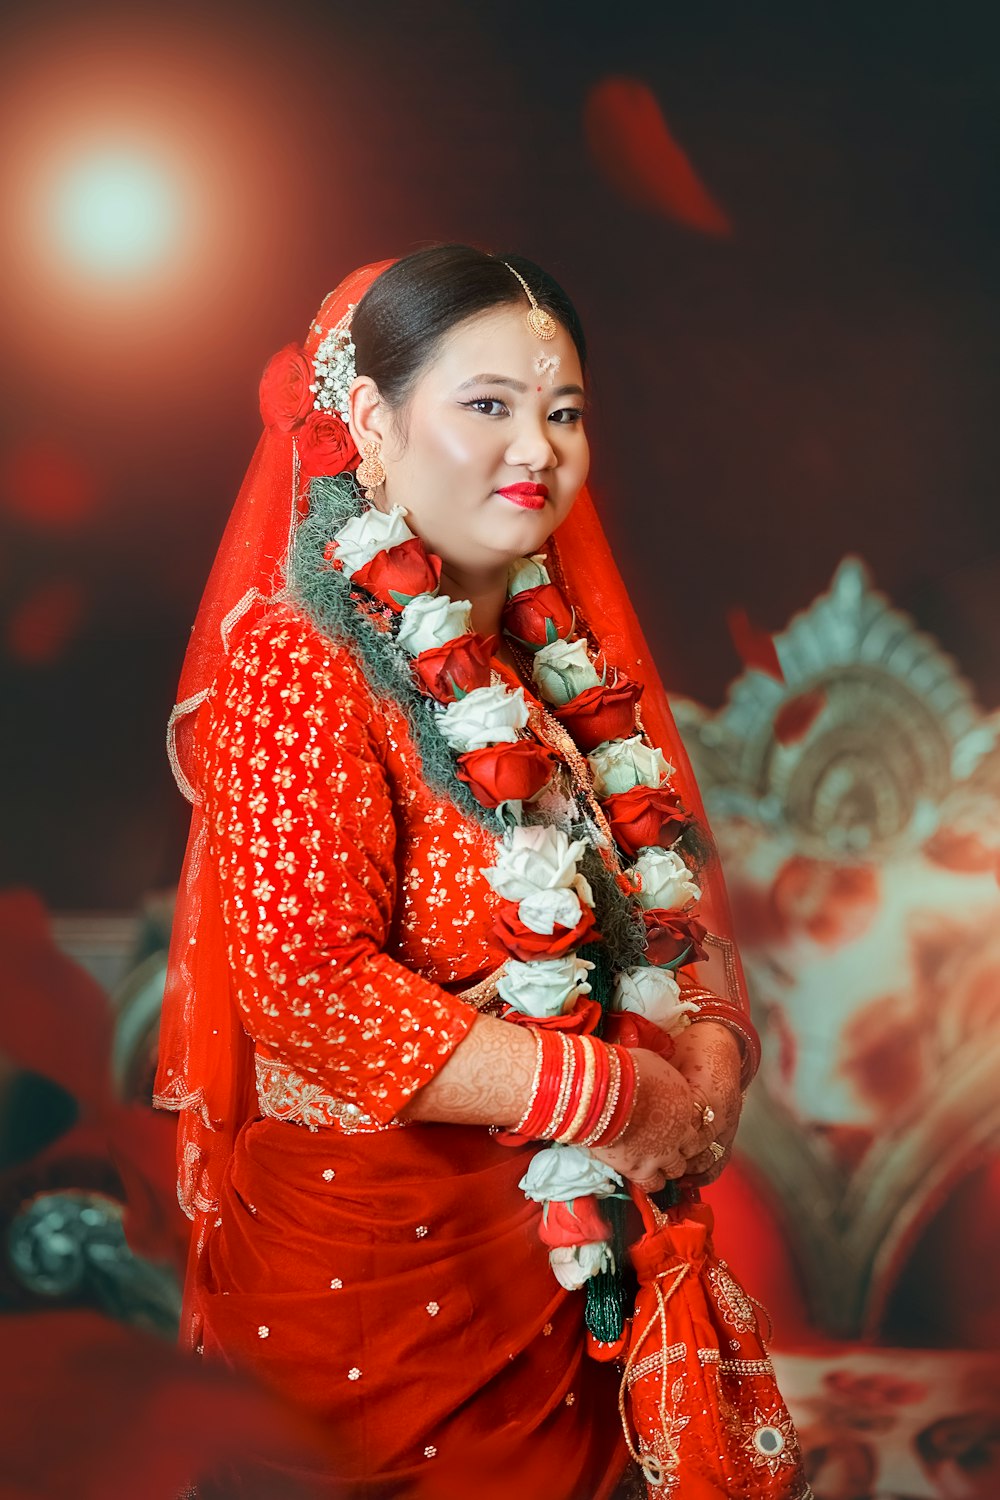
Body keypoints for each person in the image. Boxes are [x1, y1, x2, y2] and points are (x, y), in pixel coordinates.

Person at [154, 246, 762, 1500]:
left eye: (563, 410)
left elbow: (663, 915)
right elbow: (307, 990)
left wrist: (710, 1048)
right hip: (381, 1305)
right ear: (372, 423)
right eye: (486, 404)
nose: (534, 447)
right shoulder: (301, 659)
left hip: (570, 1279)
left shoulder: (556, 671)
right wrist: (617, 1099)